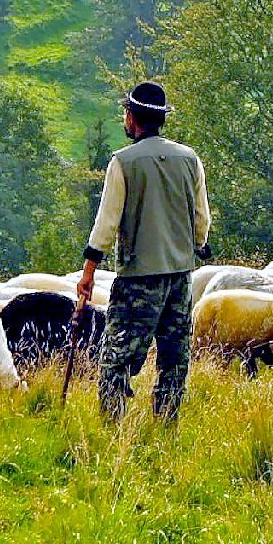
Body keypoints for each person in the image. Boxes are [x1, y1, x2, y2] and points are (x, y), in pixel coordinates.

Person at [75, 81, 211, 422]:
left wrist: (88, 272)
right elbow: (201, 219)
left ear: (133, 118)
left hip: (138, 280)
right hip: (180, 277)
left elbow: (106, 224)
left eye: (125, 113)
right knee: (174, 359)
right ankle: (166, 427)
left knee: (117, 357)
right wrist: (197, 246)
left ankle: (113, 428)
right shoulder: (190, 159)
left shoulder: (123, 162)